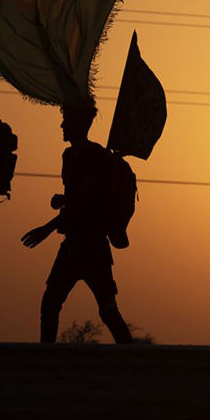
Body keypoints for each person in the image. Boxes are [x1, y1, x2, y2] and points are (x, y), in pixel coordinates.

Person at [22, 99, 133, 344]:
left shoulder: (95, 157)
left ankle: (131, 357)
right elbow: (78, 197)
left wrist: (46, 228)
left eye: (67, 120)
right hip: (73, 244)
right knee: (50, 304)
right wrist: (63, 199)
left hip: (92, 247)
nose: (62, 125)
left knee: (107, 309)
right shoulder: (70, 155)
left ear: (82, 123)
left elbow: (84, 202)